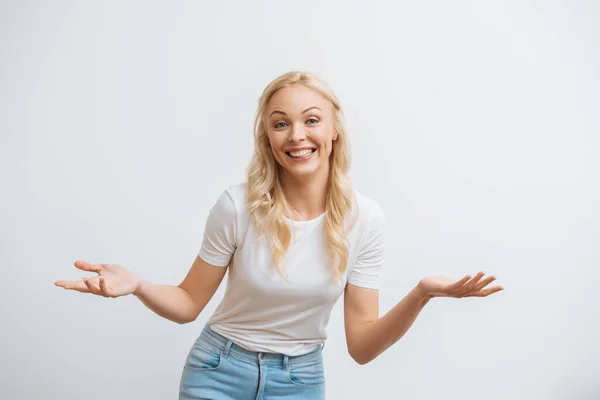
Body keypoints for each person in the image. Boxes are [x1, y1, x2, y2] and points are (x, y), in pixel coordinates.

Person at [55, 71, 503, 400]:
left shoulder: (366, 219)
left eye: (311, 120)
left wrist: (422, 293)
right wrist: (138, 285)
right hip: (217, 372)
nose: (297, 135)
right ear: (268, 137)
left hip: (300, 381)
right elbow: (189, 303)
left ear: (333, 130)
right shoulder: (236, 206)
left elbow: (362, 346)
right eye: (280, 123)